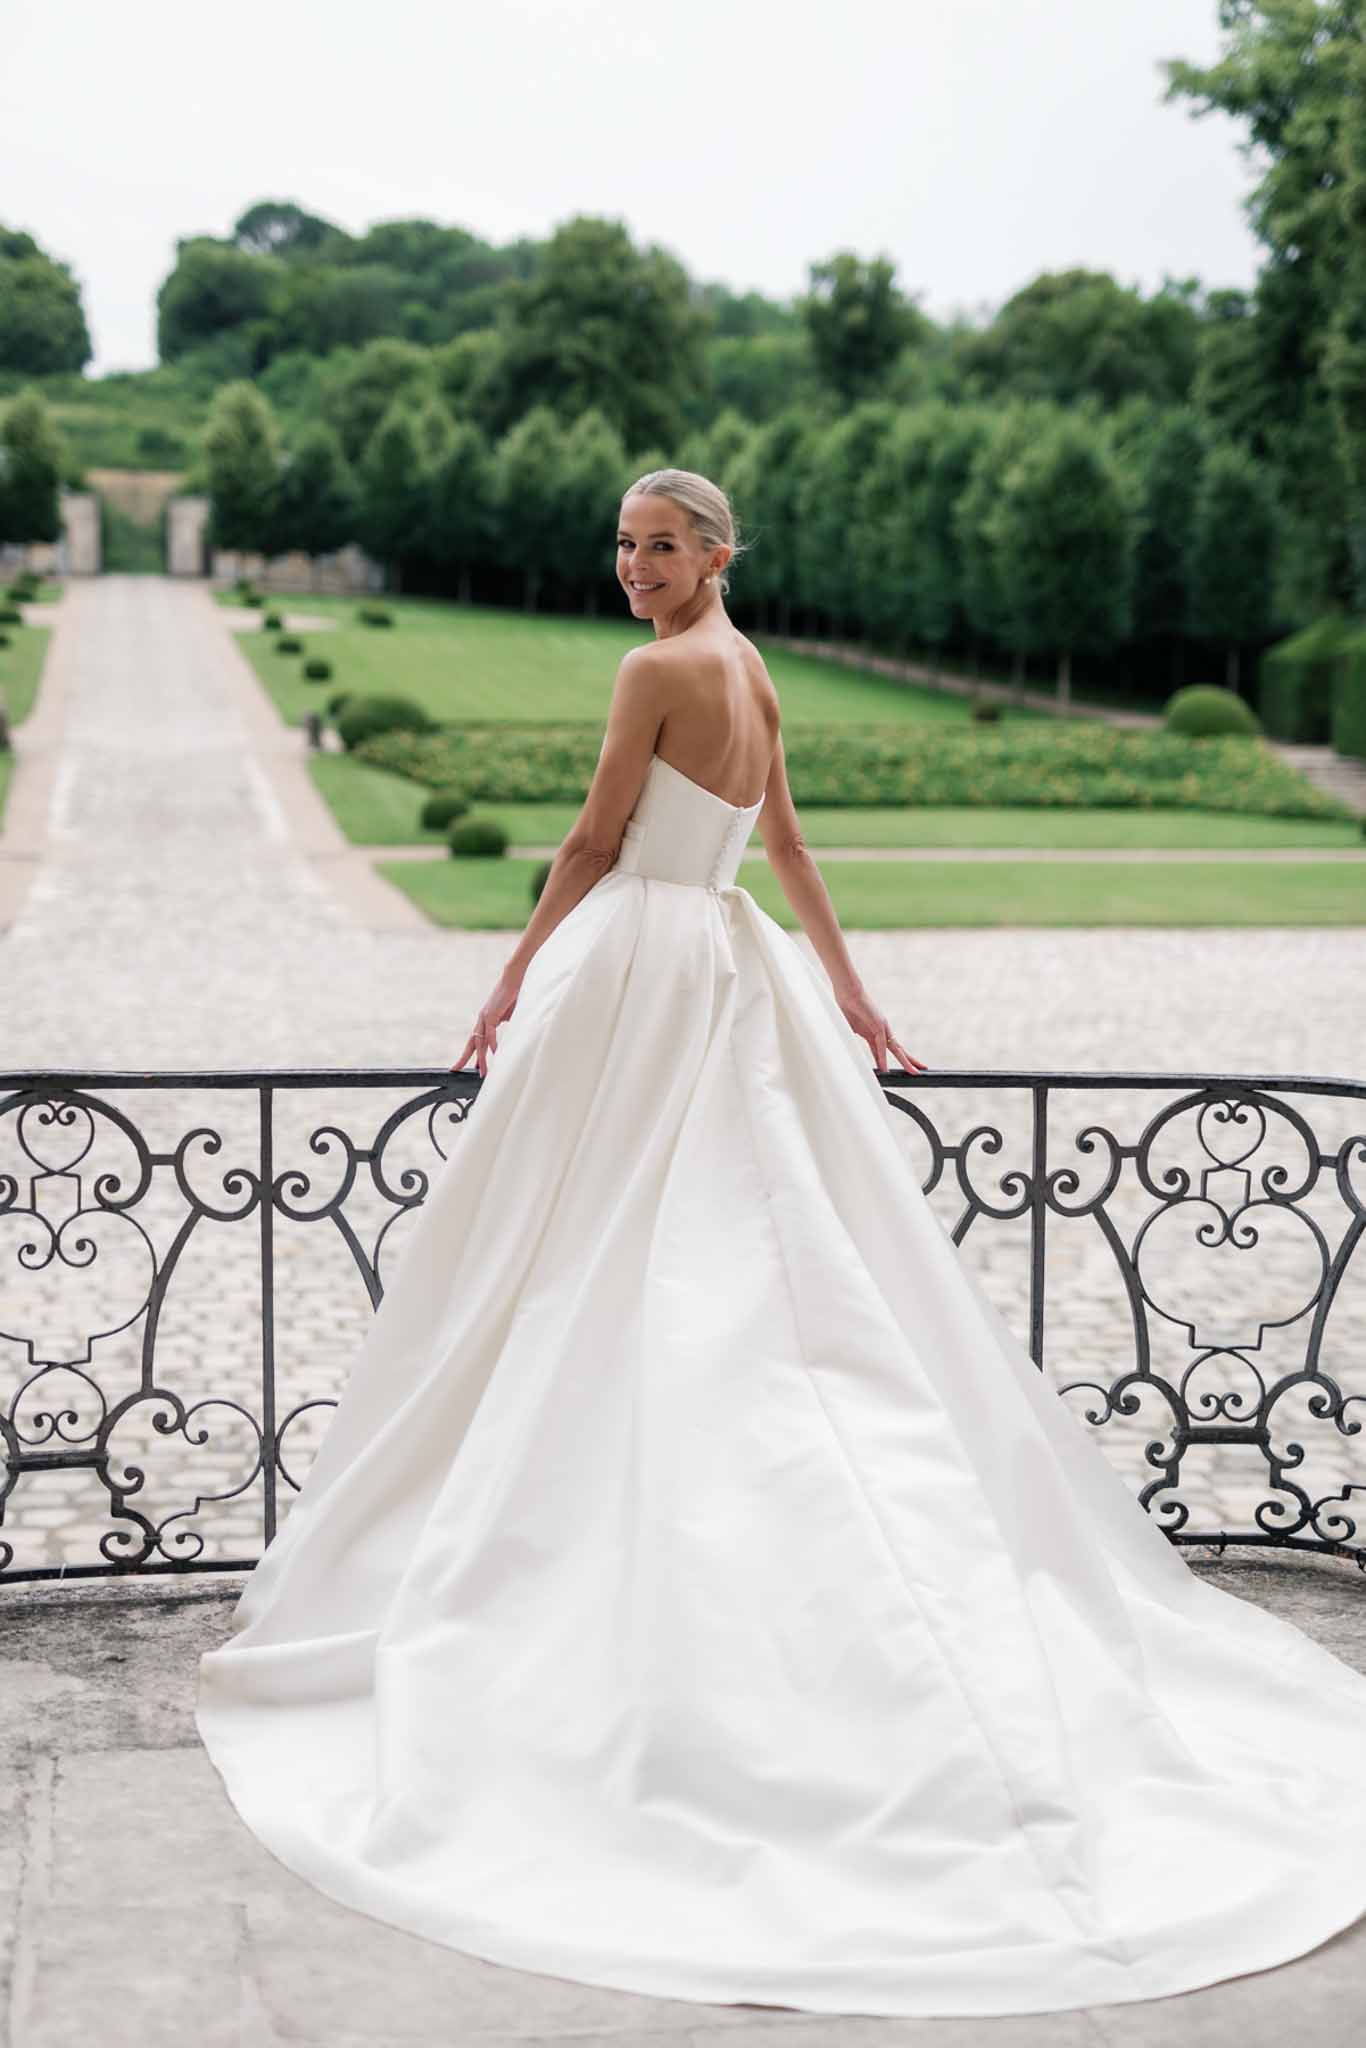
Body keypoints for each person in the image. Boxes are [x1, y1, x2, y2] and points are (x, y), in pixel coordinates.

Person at [197, 469, 1366, 2021]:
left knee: (588, 1254)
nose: (633, 568)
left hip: (645, 971)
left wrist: (504, 985)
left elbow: (594, 842)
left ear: (717, 554)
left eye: (660, 546)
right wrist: (852, 994)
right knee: (751, 1247)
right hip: (737, 968)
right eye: (620, 544)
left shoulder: (661, 670)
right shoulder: (745, 666)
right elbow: (791, 851)